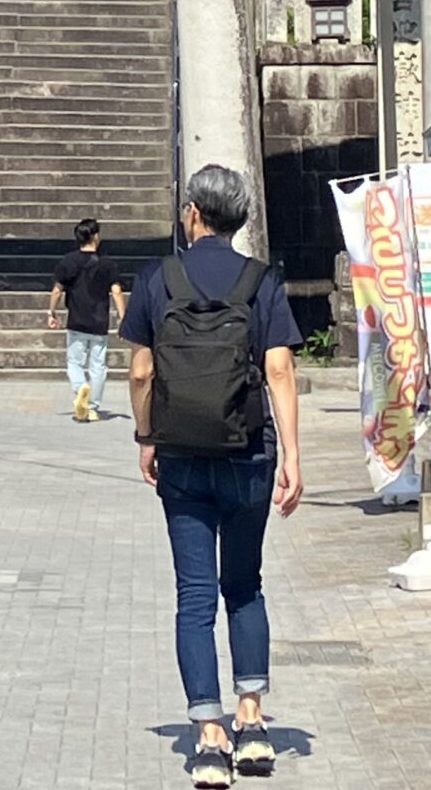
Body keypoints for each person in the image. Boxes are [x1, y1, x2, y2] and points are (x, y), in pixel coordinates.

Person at [122, 164, 304, 784]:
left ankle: (207, 737)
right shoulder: (261, 282)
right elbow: (279, 371)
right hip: (249, 454)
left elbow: (142, 373)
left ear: (194, 213)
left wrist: (146, 436)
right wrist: (294, 457)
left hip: (180, 457)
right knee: (245, 586)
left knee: (194, 597)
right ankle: (253, 726)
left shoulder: (158, 278)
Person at [47, 216, 126, 422]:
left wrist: (51, 312)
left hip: (76, 321)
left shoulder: (68, 262)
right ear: (96, 237)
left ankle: (80, 386)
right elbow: (116, 292)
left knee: (74, 362)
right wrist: (122, 317)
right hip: (99, 322)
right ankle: (92, 407)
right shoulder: (107, 264)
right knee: (98, 366)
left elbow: (57, 290)